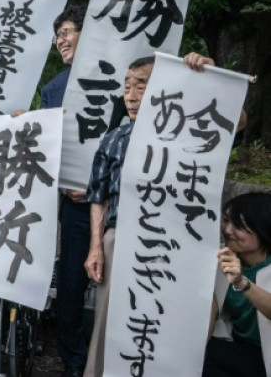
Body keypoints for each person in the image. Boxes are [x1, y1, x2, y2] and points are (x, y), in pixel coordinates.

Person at [82, 52, 217, 377]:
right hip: (121, 238)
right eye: (126, 87)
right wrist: (97, 246)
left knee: (163, 325)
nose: (130, 95)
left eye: (140, 86)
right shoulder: (114, 139)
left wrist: (209, 79)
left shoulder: (189, 133)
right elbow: (98, 196)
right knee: (109, 321)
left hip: (174, 245)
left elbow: (235, 123)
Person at [39, 5, 91, 377]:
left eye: (68, 31)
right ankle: (74, 361)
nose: (61, 40)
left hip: (123, 206)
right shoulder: (53, 90)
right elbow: (47, 150)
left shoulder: (127, 81)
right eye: (58, 35)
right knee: (70, 284)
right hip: (73, 205)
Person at [206, 192, 271, 376]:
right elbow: (210, 314)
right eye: (225, 220)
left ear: (262, 227)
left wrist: (241, 282)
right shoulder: (222, 259)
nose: (227, 230)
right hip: (239, 347)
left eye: (238, 225)